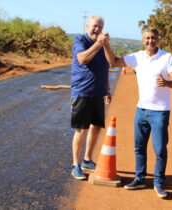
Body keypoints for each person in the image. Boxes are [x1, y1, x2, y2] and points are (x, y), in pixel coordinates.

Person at [103, 28, 172, 198]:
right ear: (142, 40)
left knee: (159, 149)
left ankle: (158, 183)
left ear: (158, 39)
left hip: (160, 112)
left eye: (153, 38)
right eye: (147, 38)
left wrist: (167, 82)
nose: (150, 41)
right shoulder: (138, 57)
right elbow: (114, 62)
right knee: (139, 147)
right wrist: (106, 45)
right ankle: (139, 179)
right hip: (142, 110)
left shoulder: (167, 57)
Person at [70, 16, 111, 180]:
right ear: (87, 26)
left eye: (100, 26)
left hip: (98, 93)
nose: (97, 29)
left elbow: (105, 67)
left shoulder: (101, 45)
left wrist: (107, 89)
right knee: (81, 129)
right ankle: (75, 165)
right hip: (83, 93)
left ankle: (87, 160)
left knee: (96, 127)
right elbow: (82, 59)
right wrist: (99, 43)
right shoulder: (81, 40)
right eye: (95, 26)